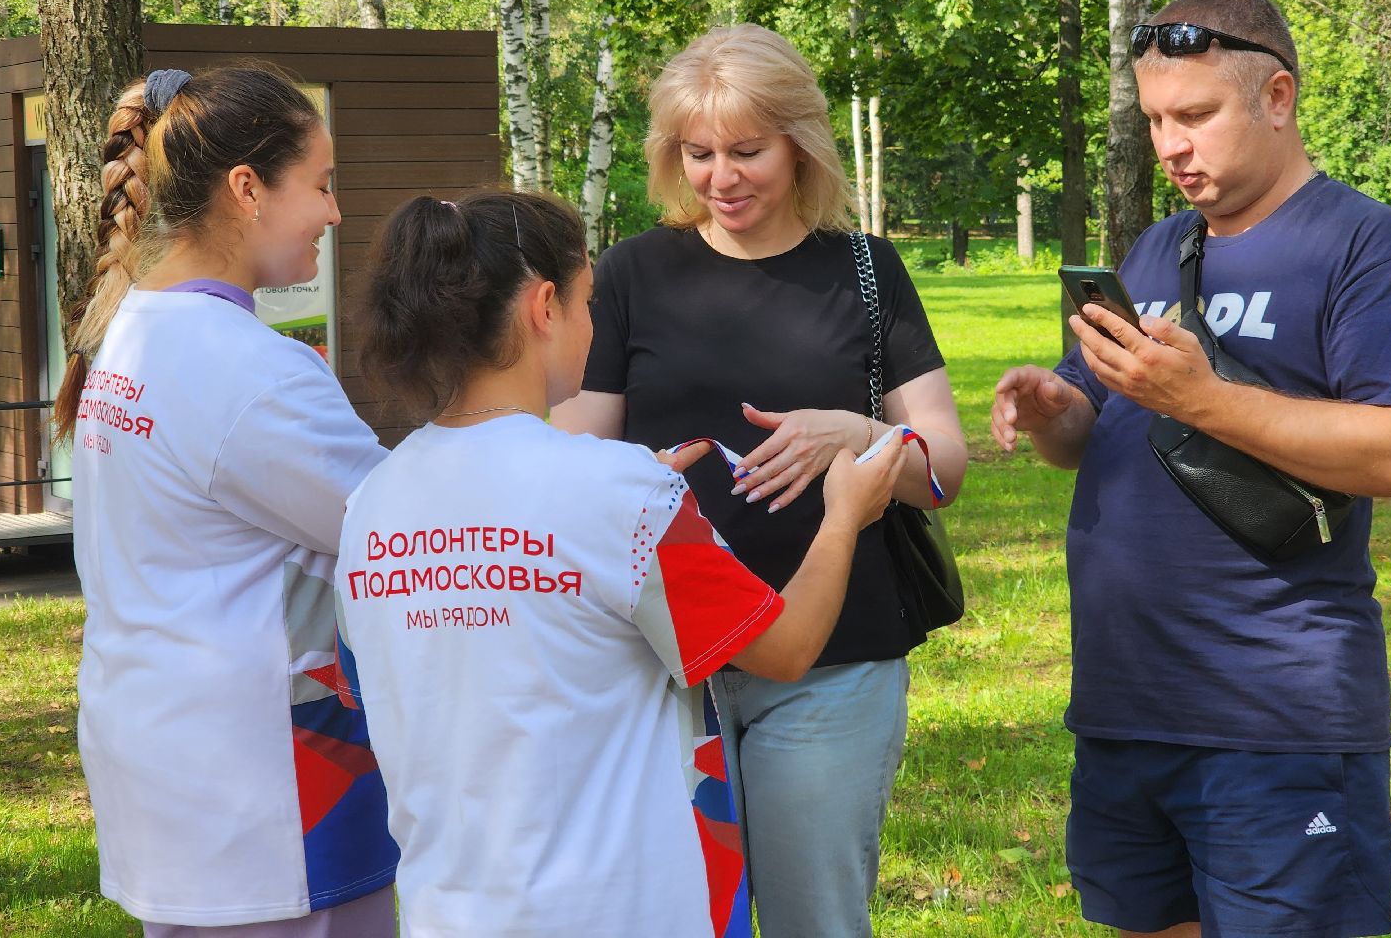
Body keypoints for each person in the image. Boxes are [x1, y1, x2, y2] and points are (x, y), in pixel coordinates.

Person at [333, 190, 909, 937]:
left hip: (451, 910)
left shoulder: (370, 505)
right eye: (587, 302)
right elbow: (788, 646)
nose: (594, 325)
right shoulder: (624, 495)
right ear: (544, 307)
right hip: (625, 906)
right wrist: (842, 515)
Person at [992, 0, 1391, 938]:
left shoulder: (1368, 247)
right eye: (1154, 121)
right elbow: (1086, 438)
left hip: (1275, 718)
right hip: (1124, 706)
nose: (1171, 147)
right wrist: (1057, 406)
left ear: (1277, 99)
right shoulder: (1156, 249)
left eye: (1195, 115)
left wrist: (1207, 402)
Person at [550, 24, 968, 938]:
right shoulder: (629, 273)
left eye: (747, 151)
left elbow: (943, 470)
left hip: (835, 661)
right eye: (697, 154)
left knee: (812, 916)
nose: (720, 177)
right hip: (664, 661)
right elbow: (573, 440)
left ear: (802, 145)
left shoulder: (866, 270)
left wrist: (863, 435)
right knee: (676, 915)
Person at [58, 65, 398, 936]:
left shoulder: (129, 326)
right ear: (247, 188)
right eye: (320, 185)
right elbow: (398, 533)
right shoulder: (252, 370)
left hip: (165, 768)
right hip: (272, 792)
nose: (332, 212)